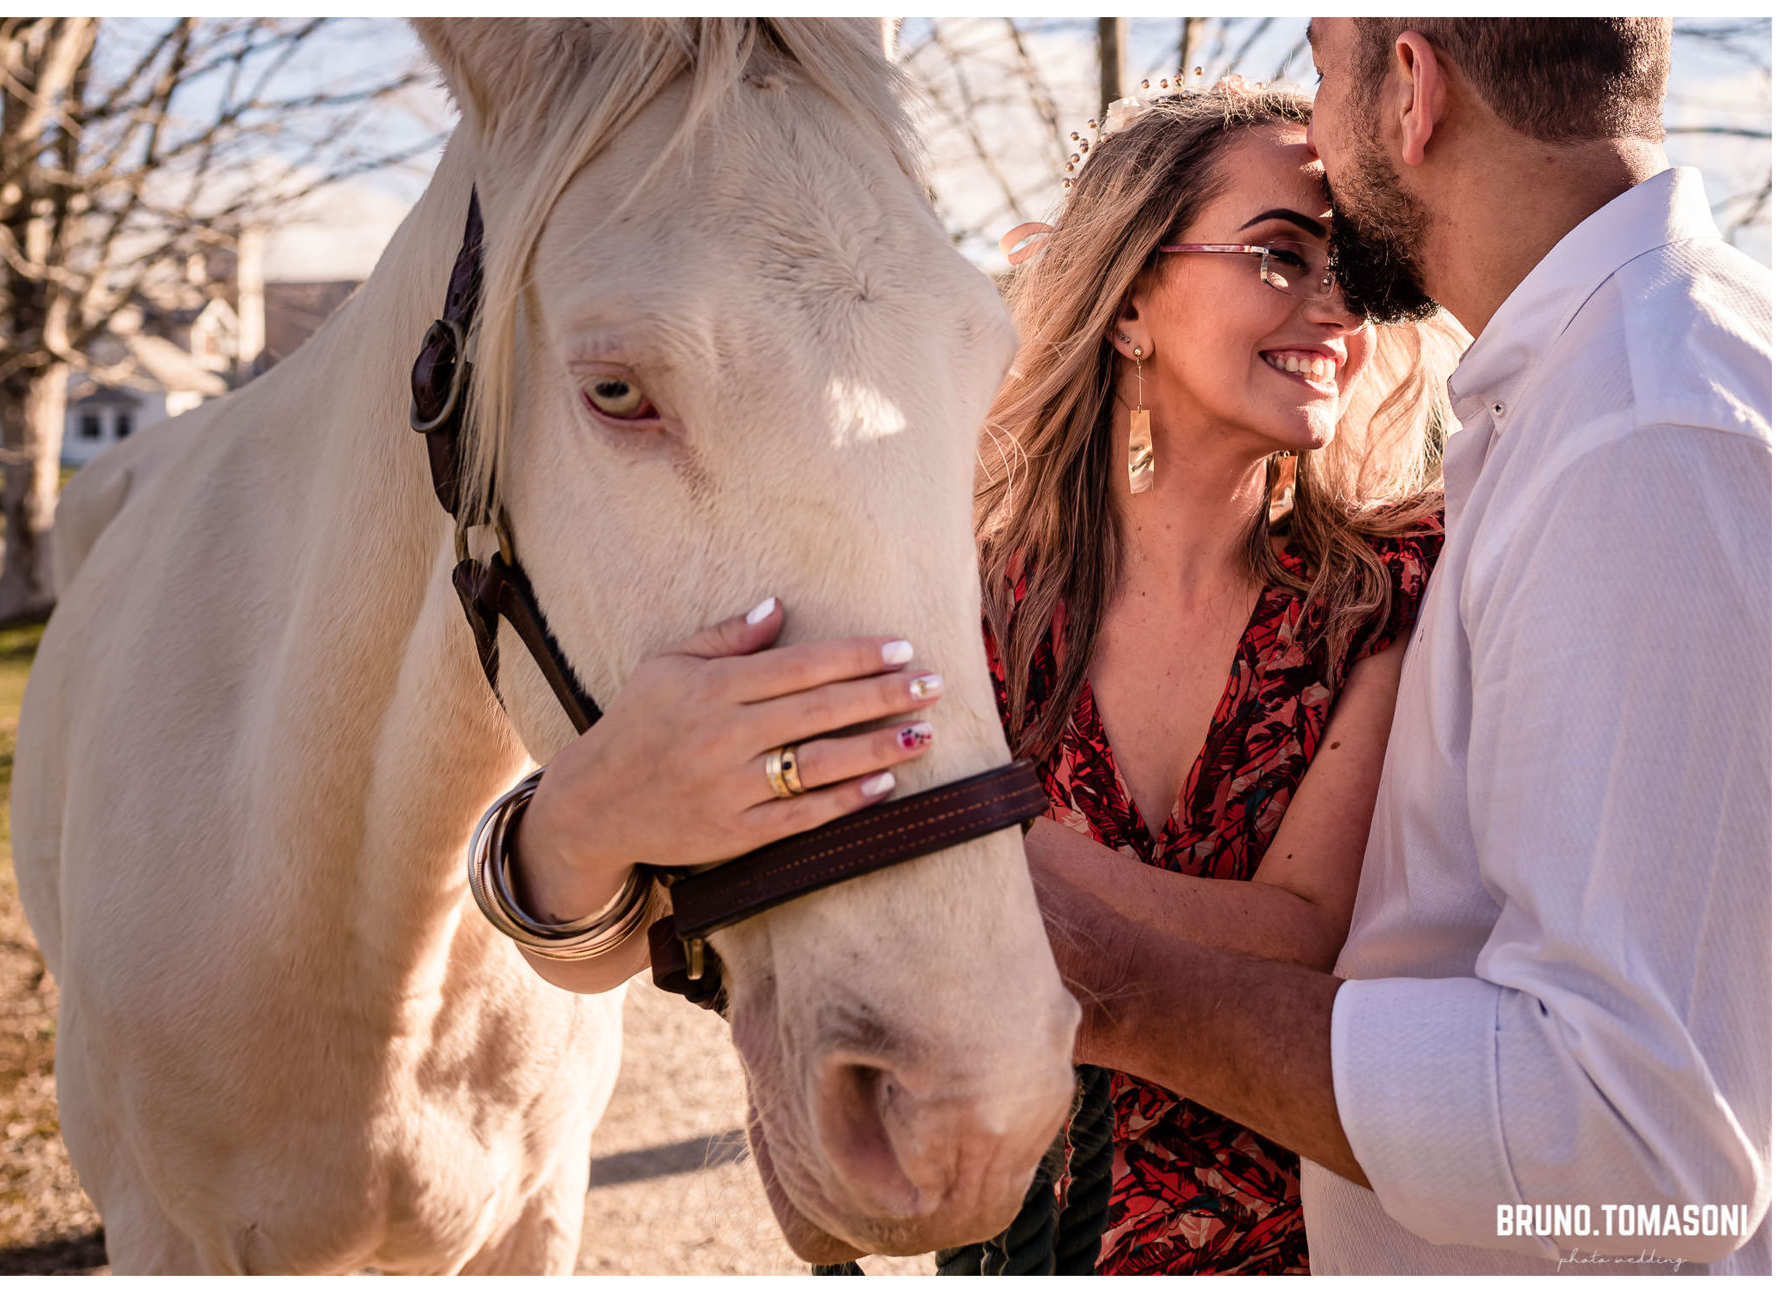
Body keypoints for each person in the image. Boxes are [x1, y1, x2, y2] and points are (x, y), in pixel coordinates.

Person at [504, 79, 1463, 1273]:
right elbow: (665, 900)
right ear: (1131, 306)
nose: (1335, 310)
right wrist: (583, 819)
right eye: (1280, 254)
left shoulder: (1388, 590)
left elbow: (1304, 932)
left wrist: (963, 849)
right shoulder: (963, 585)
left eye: (1351, 270)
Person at [1027, 16, 1771, 1277]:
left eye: (1321, 66)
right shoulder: (1578, 403)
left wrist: (1116, 985)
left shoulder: (1647, 431)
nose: (1316, 127)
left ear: (1412, 89)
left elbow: (1649, 1164)